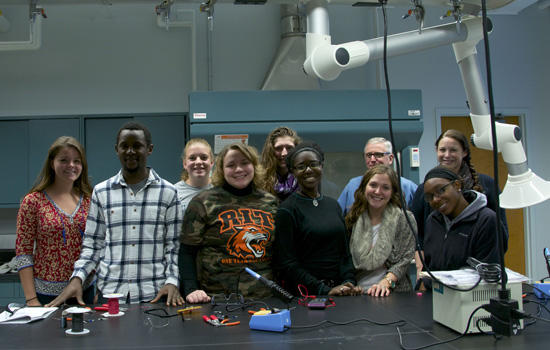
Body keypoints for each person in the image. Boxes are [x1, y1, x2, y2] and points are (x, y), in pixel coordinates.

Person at [46, 121, 184, 306]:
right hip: (111, 296)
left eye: (137, 146)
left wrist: (172, 281)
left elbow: (174, 247)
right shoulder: (102, 192)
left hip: (155, 295)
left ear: (149, 149)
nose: (130, 152)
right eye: (124, 146)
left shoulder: (168, 192)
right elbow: (93, 245)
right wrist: (77, 278)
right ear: (116, 149)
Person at [180, 142, 278, 303]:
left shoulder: (269, 201)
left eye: (245, 163)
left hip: (264, 297)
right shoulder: (203, 202)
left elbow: (278, 250)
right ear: (222, 170)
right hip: (217, 299)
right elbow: (187, 251)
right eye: (231, 165)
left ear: (254, 165)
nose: (239, 169)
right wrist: (191, 289)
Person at [410, 129, 508, 278]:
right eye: (442, 150)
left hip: (474, 279)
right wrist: (422, 271)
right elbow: (418, 235)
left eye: (453, 150)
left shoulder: (488, 188)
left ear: (465, 152)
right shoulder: (426, 194)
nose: (447, 155)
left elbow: (499, 235)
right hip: (439, 276)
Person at [274, 141, 362, 297]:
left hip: (340, 292)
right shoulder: (287, 210)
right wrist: (324, 290)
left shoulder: (333, 205)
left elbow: (344, 253)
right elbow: (287, 264)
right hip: (306, 296)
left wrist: (349, 282)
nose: (308, 170)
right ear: (293, 172)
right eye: (301, 167)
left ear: (322, 166)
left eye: (313, 164)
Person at [15, 136, 94, 306]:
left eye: (76, 161)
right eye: (64, 160)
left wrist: (99, 290)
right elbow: (23, 253)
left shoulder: (90, 200)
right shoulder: (33, 201)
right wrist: (31, 299)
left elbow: (98, 246)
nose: (71, 165)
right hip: (46, 295)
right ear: (52, 163)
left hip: (85, 291)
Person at [418, 165, 503, 290]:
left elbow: (486, 274)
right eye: (430, 196)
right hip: (435, 298)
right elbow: (430, 268)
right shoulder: (433, 220)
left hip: (469, 299)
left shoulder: (486, 220)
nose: (436, 199)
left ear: (457, 185)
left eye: (440, 190)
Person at [345, 165, 416, 297]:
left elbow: (406, 258)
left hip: (394, 294)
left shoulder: (404, 218)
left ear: (392, 192)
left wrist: (387, 282)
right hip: (358, 295)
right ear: (364, 187)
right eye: (373, 185)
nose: (378, 192)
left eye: (385, 187)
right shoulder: (352, 219)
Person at [338, 137, 418, 215]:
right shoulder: (353, 185)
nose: (372, 159)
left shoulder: (407, 187)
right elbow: (338, 216)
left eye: (378, 155)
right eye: (368, 155)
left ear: (390, 158)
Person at [260, 126, 301, 202]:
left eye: (289, 148)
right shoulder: (259, 180)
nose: (284, 153)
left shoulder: (304, 178)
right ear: (271, 151)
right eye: (278, 148)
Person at [174, 138, 214, 214]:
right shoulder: (174, 193)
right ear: (184, 164)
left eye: (204, 157)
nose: (198, 162)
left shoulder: (222, 190)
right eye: (192, 158)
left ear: (212, 162)